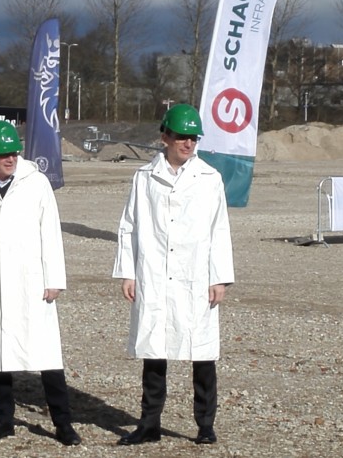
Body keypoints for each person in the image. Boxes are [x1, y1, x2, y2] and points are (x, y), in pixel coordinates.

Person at [0, 120, 81, 447]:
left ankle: (63, 423)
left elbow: (50, 231)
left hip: (29, 282)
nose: (10, 159)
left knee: (47, 356)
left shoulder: (36, 183)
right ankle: (3, 419)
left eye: (13, 153)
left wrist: (54, 278)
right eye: (2, 154)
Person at [112, 104, 235, 446]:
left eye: (193, 137)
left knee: (202, 354)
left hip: (195, 275)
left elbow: (219, 229)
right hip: (153, 273)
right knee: (154, 351)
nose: (188, 143)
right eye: (181, 136)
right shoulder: (144, 177)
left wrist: (219, 277)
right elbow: (129, 225)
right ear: (165, 136)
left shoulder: (209, 178)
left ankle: (205, 425)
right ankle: (149, 424)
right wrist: (127, 272)